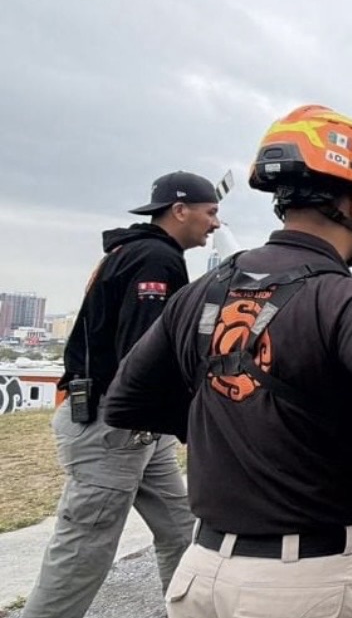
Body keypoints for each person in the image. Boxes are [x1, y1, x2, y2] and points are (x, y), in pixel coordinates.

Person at [104, 105, 352, 618]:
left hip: (201, 577)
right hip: (305, 585)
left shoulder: (198, 293)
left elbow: (126, 401)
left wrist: (232, 418)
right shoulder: (344, 299)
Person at [21, 171, 221, 618]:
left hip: (138, 432)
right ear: (180, 210)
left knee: (181, 528)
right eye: (210, 213)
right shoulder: (154, 259)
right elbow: (144, 354)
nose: (215, 224)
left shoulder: (138, 252)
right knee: (84, 549)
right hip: (111, 429)